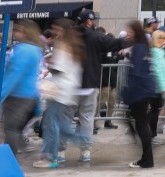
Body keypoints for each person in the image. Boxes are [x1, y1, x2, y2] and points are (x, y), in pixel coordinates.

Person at [73, 10, 125, 161]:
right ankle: (85, 152)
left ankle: (60, 152)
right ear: (88, 22)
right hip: (89, 83)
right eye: (93, 20)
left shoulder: (70, 35)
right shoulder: (94, 36)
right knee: (87, 118)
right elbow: (114, 43)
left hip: (71, 83)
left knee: (66, 117)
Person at [34, 19, 84, 169]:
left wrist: (50, 64)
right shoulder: (75, 45)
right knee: (59, 124)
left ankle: (51, 157)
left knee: (51, 124)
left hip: (59, 91)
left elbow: (58, 69)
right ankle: (80, 139)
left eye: (56, 28)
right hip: (69, 91)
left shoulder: (62, 45)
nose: (55, 31)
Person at [0, 19, 44, 153]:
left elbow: (14, 74)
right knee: (15, 128)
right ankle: (21, 150)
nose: (15, 33)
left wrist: (0, 94)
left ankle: (11, 159)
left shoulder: (22, 50)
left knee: (10, 128)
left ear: (24, 32)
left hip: (17, 95)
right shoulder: (35, 49)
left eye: (18, 30)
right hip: (29, 95)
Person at [121, 21, 157, 169]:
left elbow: (136, 73)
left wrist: (126, 93)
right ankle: (146, 158)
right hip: (144, 90)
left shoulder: (139, 48)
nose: (128, 34)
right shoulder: (144, 47)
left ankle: (147, 159)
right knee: (141, 124)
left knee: (141, 125)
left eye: (130, 32)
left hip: (139, 91)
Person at [149, 29, 165, 144]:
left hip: (155, 86)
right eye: (164, 38)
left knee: (154, 111)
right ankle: (152, 135)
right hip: (156, 87)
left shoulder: (156, 51)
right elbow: (159, 72)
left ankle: (151, 134)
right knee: (154, 111)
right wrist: (163, 87)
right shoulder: (157, 52)